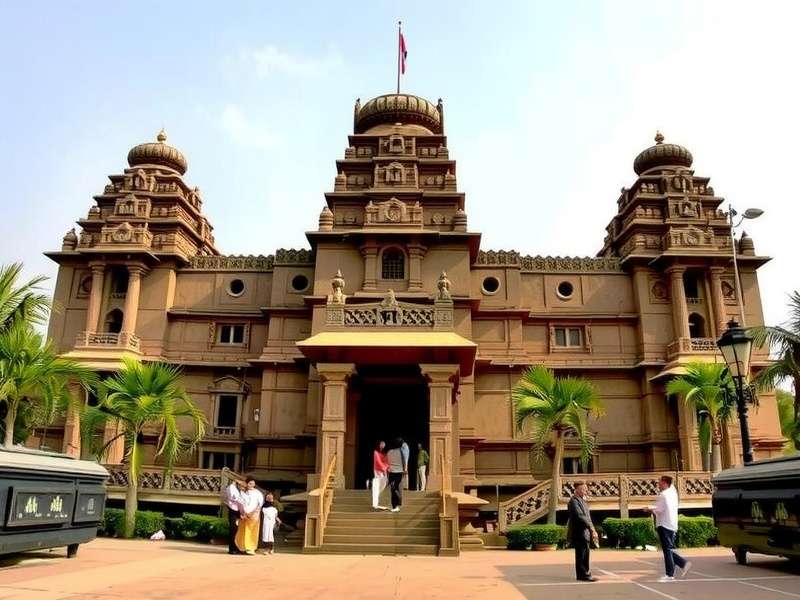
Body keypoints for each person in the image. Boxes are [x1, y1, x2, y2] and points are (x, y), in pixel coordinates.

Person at [645, 475, 691, 582]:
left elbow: (659, 509)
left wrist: (649, 509)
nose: (658, 484)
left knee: (668, 550)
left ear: (665, 483)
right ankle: (682, 565)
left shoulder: (664, 494)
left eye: (660, 482)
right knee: (669, 549)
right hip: (671, 524)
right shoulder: (673, 493)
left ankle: (671, 574)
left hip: (664, 524)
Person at [566, 481, 598, 582]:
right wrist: (591, 528)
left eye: (586, 489)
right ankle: (583, 574)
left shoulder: (582, 501)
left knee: (585, 553)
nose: (586, 491)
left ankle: (585, 573)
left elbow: (588, 517)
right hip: (579, 531)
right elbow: (580, 516)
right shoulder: (573, 501)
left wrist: (592, 529)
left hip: (585, 531)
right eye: (583, 489)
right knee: (581, 554)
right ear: (577, 490)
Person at [235, 476, 264, 555]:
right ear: (247, 484)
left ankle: (251, 548)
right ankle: (242, 547)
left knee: (252, 531)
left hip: (254, 515)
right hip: (244, 515)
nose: (251, 485)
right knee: (243, 531)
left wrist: (252, 513)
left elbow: (259, 504)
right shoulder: (243, 492)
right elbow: (240, 503)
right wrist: (242, 513)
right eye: (250, 483)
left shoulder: (258, 493)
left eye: (253, 484)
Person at [224, 478, 244, 554]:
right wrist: (242, 512)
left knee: (236, 530)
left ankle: (235, 548)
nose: (242, 487)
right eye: (241, 485)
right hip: (234, 511)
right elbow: (237, 500)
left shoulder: (234, 488)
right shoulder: (231, 488)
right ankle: (232, 549)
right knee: (233, 530)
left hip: (236, 511)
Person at [386, 438, 406, 512]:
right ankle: (397, 503)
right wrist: (404, 470)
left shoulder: (389, 452)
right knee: (396, 487)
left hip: (391, 472)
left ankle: (394, 506)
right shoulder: (401, 451)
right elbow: (404, 461)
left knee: (393, 489)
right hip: (399, 472)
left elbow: (387, 462)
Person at [372, 440, 389, 510]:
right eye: (381, 444)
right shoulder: (376, 452)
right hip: (377, 471)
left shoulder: (385, 453)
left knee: (383, 484)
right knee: (376, 486)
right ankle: (375, 504)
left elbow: (387, 461)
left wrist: (386, 468)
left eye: (384, 444)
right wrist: (384, 468)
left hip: (384, 471)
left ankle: (376, 497)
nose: (382, 445)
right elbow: (378, 462)